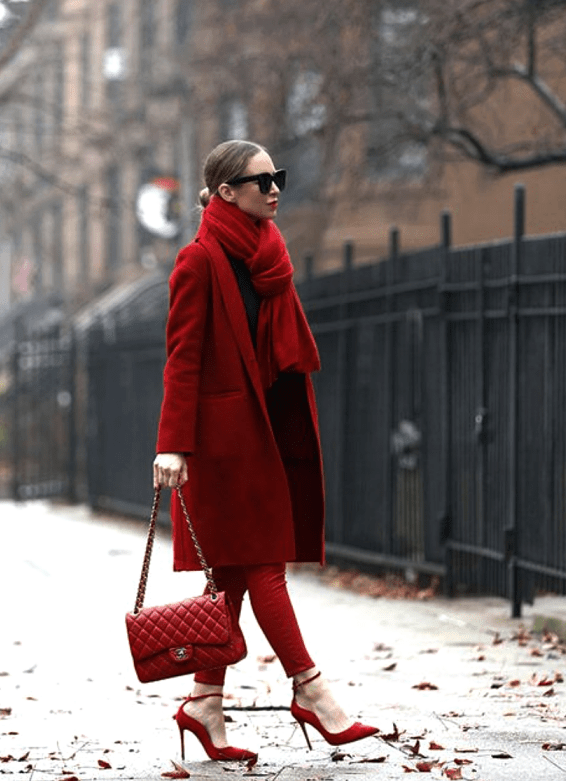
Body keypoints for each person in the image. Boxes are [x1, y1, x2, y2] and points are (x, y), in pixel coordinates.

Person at [152, 140, 378, 762]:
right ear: (227, 192)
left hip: (269, 431)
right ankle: (313, 691)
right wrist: (172, 444)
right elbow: (183, 360)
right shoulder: (198, 261)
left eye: (278, 177)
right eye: (262, 180)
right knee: (264, 565)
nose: (276, 188)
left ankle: (204, 704)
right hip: (223, 446)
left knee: (228, 576)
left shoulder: (267, 254)